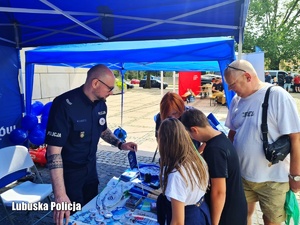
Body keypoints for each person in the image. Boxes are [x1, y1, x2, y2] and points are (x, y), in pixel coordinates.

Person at [45, 64, 138, 225]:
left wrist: (120, 144)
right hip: (70, 174)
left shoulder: (101, 104)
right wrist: (60, 194)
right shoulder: (64, 105)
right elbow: (53, 152)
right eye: (109, 88)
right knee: (71, 217)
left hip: (90, 169)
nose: (111, 93)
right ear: (95, 83)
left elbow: (102, 129)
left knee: (91, 212)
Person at [224, 59, 300, 225]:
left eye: (233, 84)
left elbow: (296, 137)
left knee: (271, 220)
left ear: (248, 77)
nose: (230, 89)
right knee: (241, 216)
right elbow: (232, 132)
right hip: (242, 175)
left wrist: (296, 175)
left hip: (273, 179)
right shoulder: (237, 100)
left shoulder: (277, 96)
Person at [181, 108, 247, 225]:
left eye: (190, 136)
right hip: (236, 205)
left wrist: (214, 223)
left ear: (194, 130)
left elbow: (219, 192)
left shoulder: (214, 150)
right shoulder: (220, 137)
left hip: (227, 213)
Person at [156, 118, 211, 225]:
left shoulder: (176, 175)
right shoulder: (197, 159)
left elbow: (177, 222)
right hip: (200, 212)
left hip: (188, 217)